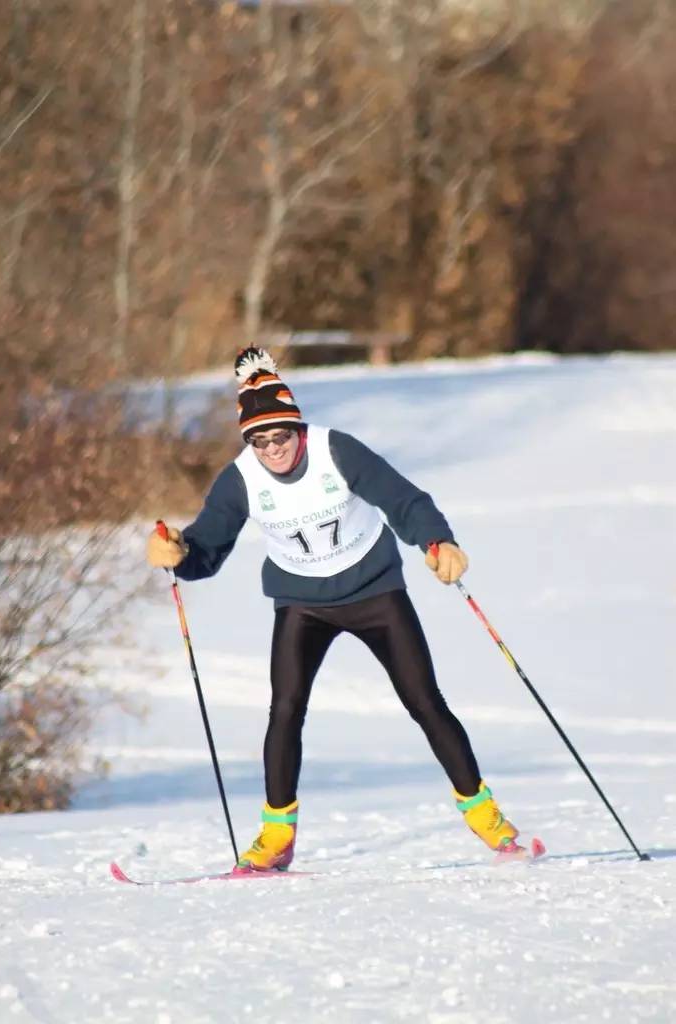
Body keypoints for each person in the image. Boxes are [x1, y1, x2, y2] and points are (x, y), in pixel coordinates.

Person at [146, 346, 520, 871]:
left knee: (424, 700)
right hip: (302, 603)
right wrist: (179, 553)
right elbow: (207, 547)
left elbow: (403, 500)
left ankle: (485, 817)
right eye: (259, 440)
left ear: (297, 428)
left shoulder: (336, 451)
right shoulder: (241, 479)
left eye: (280, 436)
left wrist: (437, 541)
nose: (273, 449)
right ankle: (277, 835)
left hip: (374, 590)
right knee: (285, 709)